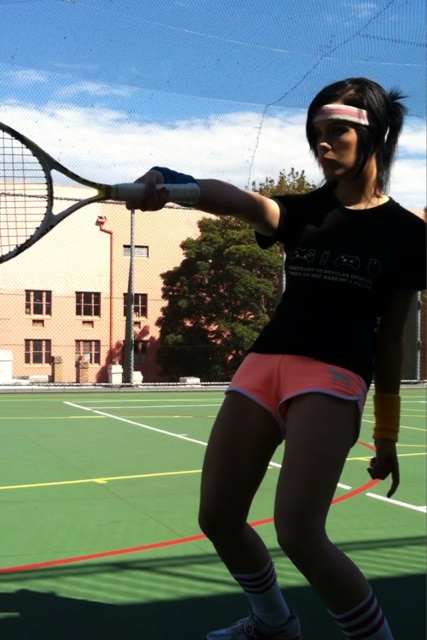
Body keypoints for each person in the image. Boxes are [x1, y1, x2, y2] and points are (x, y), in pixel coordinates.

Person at [127, 77, 426, 640]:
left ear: (377, 135)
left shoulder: (409, 234)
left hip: (332, 376)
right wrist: (170, 182)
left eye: (336, 131)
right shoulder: (302, 212)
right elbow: (237, 200)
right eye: (315, 132)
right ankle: (273, 623)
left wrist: (386, 433)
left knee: (299, 532)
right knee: (218, 517)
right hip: (262, 367)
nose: (322, 143)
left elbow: (391, 341)